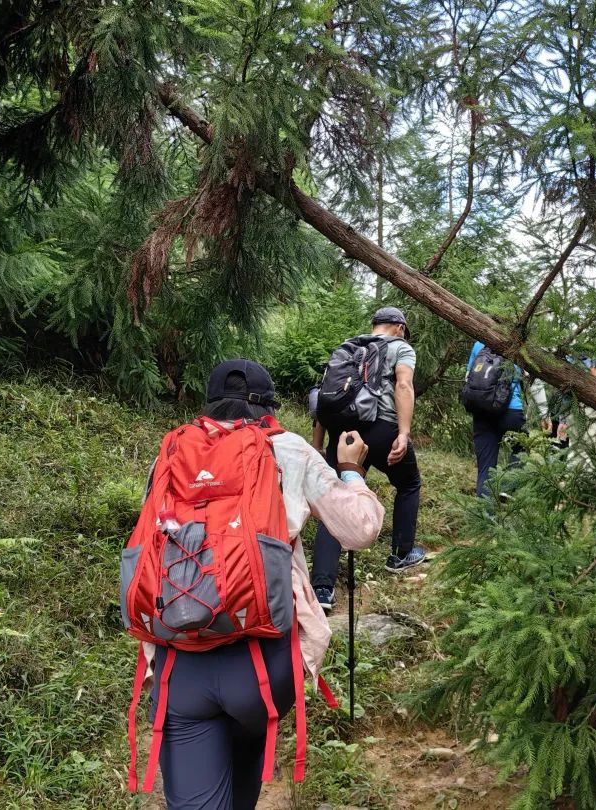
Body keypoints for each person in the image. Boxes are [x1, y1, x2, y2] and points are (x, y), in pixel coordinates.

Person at [142, 360, 384, 809]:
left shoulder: (172, 451)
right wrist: (350, 470)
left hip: (182, 662)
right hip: (264, 663)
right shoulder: (286, 448)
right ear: (268, 408)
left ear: (210, 403)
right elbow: (360, 529)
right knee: (245, 742)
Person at [311, 307, 425, 612]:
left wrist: (319, 447)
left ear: (374, 326)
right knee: (409, 483)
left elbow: (324, 398)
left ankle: (321, 589)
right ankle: (401, 554)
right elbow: (403, 385)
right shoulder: (401, 347)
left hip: (343, 433)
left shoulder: (346, 348)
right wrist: (403, 432)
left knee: (333, 502)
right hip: (381, 429)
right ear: (399, 327)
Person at [465, 341, 548, 498]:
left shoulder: (478, 344)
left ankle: (485, 519)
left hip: (482, 414)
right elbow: (535, 383)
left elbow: (468, 377)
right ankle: (508, 486)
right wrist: (545, 414)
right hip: (511, 411)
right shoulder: (521, 345)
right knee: (522, 445)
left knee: (485, 470)